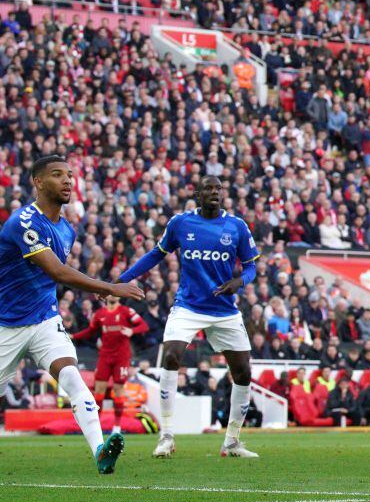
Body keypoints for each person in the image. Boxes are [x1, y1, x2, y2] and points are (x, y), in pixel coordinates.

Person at [0, 156, 143, 474]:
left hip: (44, 320)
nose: (67, 181)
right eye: (57, 175)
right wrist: (109, 286)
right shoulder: (23, 222)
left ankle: (100, 452)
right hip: (5, 324)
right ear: (38, 182)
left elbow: (55, 276)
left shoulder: (67, 229)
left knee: (72, 377)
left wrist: (97, 287)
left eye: (70, 175)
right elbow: (57, 271)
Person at [119, 176, 261, 458]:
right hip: (188, 306)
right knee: (171, 355)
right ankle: (167, 435)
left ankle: (231, 441)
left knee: (243, 371)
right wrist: (122, 280)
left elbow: (251, 267)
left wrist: (239, 282)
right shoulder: (180, 223)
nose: (214, 193)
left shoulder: (237, 226)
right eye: (209, 188)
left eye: (219, 189)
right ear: (198, 194)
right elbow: (155, 255)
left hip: (224, 309)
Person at [71, 296, 148, 434]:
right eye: (109, 293)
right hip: (105, 356)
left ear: (119, 296)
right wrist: (74, 336)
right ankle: (96, 426)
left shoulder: (126, 311)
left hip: (121, 357)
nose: (112, 295)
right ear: (106, 296)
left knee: (118, 389)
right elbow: (90, 331)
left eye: (114, 292)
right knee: (99, 389)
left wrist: (132, 331)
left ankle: (117, 427)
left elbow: (144, 326)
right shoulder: (100, 314)